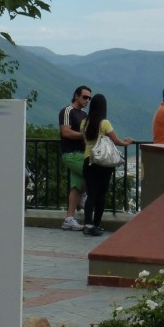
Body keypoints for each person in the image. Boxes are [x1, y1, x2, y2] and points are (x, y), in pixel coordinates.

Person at [80, 94, 133, 237]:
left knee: (91, 194)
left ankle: (87, 225)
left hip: (88, 160)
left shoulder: (84, 122)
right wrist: (127, 142)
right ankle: (97, 224)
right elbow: (116, 141)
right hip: (103, 162)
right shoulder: (104, 123)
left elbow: (85, 140)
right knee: (101, 194)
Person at [58, 85, 92, 231]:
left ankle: (69, 219)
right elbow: (65, 132)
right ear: (76, 96)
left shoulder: (84, 114)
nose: (87, 100)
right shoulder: (67, 111)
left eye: (89, 98)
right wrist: (83, 135)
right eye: (85, 97)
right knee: (93, 174)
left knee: (76, 186)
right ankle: (83, 198)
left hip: (81, 154)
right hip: (71, 154)